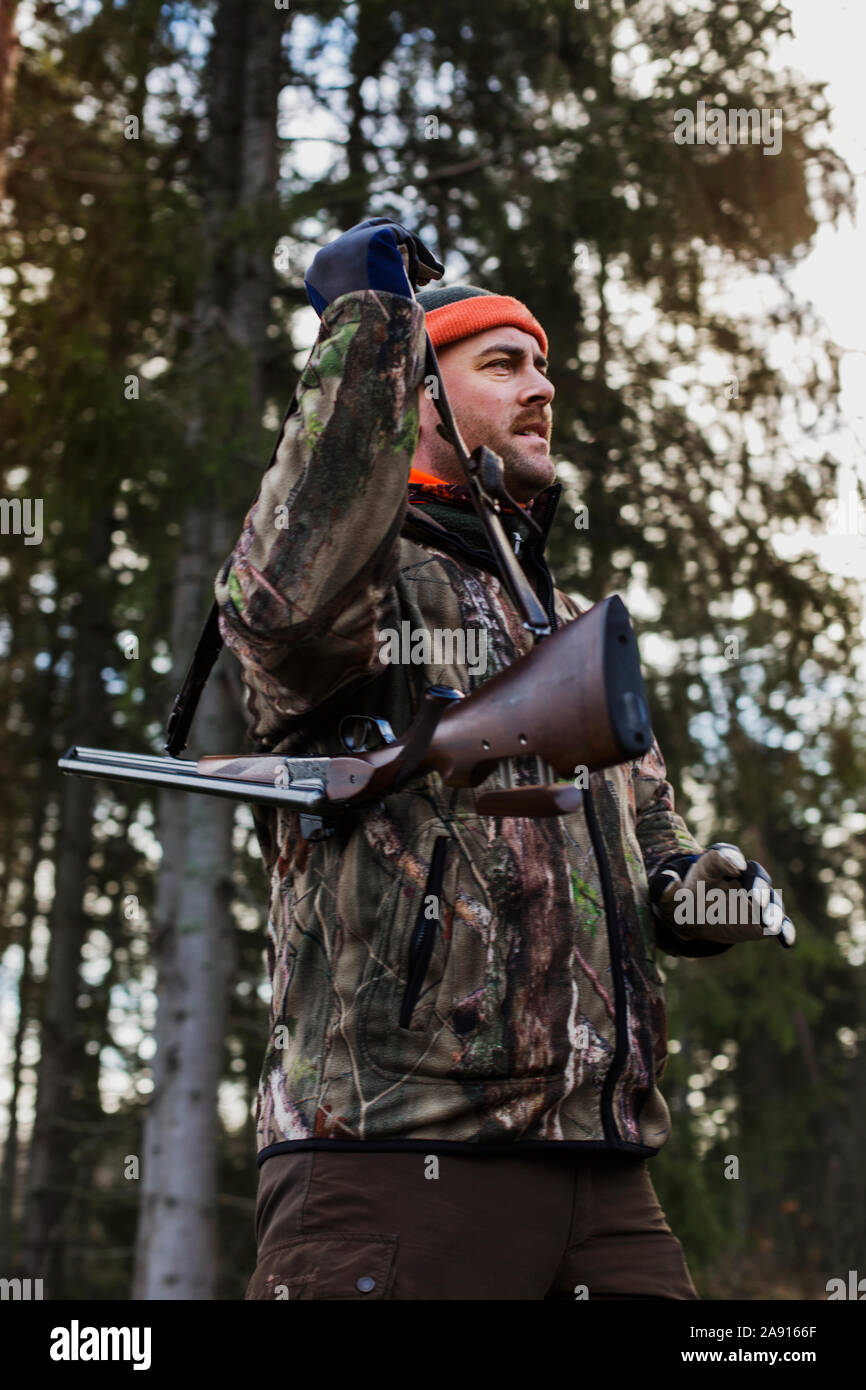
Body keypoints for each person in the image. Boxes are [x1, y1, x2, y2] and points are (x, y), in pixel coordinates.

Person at [213, 218, 795, 1300]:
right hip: (394, 1165)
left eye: (542, 365)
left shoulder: (572, 621)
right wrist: (370, 324)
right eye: (501, 363)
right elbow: (278, 609)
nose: (540, 387)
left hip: (607, 1174)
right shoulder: (369, 591)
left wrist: (696, 889)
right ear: (416, 397)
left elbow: (648, 845)